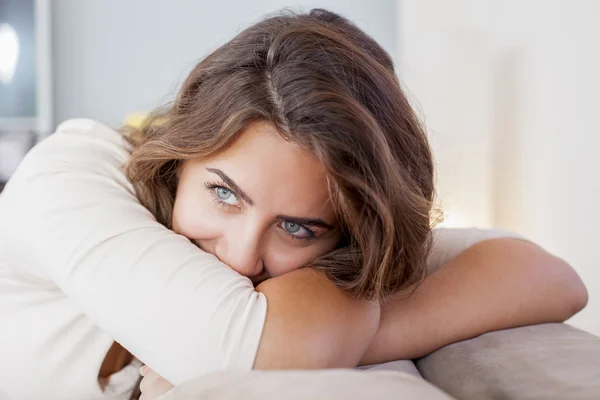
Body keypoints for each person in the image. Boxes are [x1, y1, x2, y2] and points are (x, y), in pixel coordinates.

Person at [0, 9, 587, 400]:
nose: (241, 257)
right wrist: (341, 326)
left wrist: (361, 325)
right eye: (224, 194)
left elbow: (549, 277)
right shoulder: (69, 179)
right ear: (180, 160)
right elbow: (258, 348)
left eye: (297, 227)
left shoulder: (337, 243)